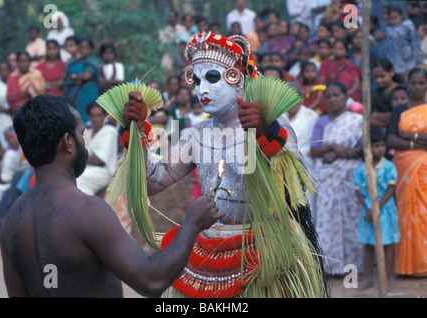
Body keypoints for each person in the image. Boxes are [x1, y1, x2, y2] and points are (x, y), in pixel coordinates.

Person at [122, 32, 328, 298]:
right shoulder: (196, 133)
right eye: (196, 80)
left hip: (262, 253)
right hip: (204, 251)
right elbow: (153, 182)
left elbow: (295, 185)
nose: (202, 89)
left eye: (212, 77)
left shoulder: (272, 124)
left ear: (238, 80)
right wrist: (138, 131)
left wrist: (264, 132)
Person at [0, 94, 222, 297]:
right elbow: (152, 280)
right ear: (68, 143)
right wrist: (192, 223)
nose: (83, 143)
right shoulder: (86, 211)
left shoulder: (11, 221)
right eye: (81, 134)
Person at [310, 81, 363, 275]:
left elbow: (363, 149)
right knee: (327, 219)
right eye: (329, 96)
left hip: (349, 176)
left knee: (350, 219)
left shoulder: (356, 120)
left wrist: (342, 153)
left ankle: (352, 267)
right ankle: (330, 268)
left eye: (336, 95)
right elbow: (314, 150)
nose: (332, 100)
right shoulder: (322, 121)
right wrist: (332, 148)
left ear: (345, 97)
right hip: (328, 177)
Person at [387, 67, 427, 277]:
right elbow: (391, 139)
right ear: (407, 84)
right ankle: (407, 267)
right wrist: (418, 140)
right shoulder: (399, 110)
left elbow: (399, 137)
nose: (417, 87)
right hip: (403, 170)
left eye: (421, 83)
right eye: (413, 82)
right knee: (404, 215)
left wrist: (407, 135)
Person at [353, 128, 399, 289]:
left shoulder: (388, 166)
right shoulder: (361, 168)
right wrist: (369, 209)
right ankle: (369, 278)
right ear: (367, 147)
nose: (381, 148)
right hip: (367, 213)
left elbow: (391, 190)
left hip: (386, 210)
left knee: (388, 244)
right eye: (377, 145)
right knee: (368, 244)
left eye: (383, 145)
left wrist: (377, 208)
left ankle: (386, 279)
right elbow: (358, 192)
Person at [76, 101, 118, 196]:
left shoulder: (109, 131)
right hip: (86, 167)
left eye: (99, 115)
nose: (96, 119)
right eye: (93, 115)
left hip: (103, 171)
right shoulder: (87, 132)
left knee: (79, 178)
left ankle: (88, 205)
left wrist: (77, 158)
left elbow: (100, 159)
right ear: (89, 116)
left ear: (104, 116)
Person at [377, 6, 424, 75]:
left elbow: (415, 42)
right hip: (393, 61)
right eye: (390, 18)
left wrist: (418, 58)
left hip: (408, 60)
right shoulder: (387, 26)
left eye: (395, 18)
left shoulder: (408, 24)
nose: (393, 21)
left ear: (401, 16)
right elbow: (377, 36)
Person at [62, 38, 100, 123]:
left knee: (90, 119)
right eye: (82, 48)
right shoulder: (73, 62)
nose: (84, 50)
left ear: (91, 49)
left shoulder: (92, 61)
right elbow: (66, 77)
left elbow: (86, 76)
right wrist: (77, 78)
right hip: (75, 96)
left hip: (88, 94)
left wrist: (74, 76)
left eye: (86, 48)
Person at [370, 58, 404, 132]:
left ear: (391, 72)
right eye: (376, 77)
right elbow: (367, 118)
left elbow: (401, 115)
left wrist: (375, 116)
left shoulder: (402, 89)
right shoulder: (374, 93)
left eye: (382, 76)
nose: (379, 80)